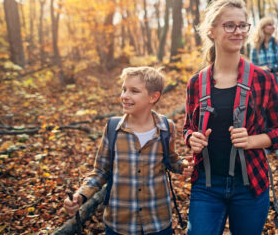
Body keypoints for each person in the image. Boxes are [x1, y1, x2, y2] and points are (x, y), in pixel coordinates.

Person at [183, 0, 278, 235]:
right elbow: (188, 127)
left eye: (243, 25)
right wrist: (191, 138)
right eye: (229, 25)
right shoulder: (196, 83)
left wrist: (252, 140)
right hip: (206, 185)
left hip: (250, 184)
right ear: (211, 31)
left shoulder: (263, 78)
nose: (238, 31)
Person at [63, 66, 193, 235]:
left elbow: (171, 160)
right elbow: (100, 171)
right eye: (124, 89)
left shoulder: (166, 127)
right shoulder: (112, 128)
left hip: (157, 221)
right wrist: (81, 195)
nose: (125, 96)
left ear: (153, 97)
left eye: (134, 91)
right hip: (119, 223)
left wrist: (184, 165)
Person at [250, 17, 278, 158]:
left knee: (277, 112)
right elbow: (252, 66)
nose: (272, 27)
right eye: (269, 24)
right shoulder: (255, 47)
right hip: (262, 85)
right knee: (263, 113)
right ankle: (267, 144)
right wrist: (261, 69)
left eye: (273, 24)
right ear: (262, 27)